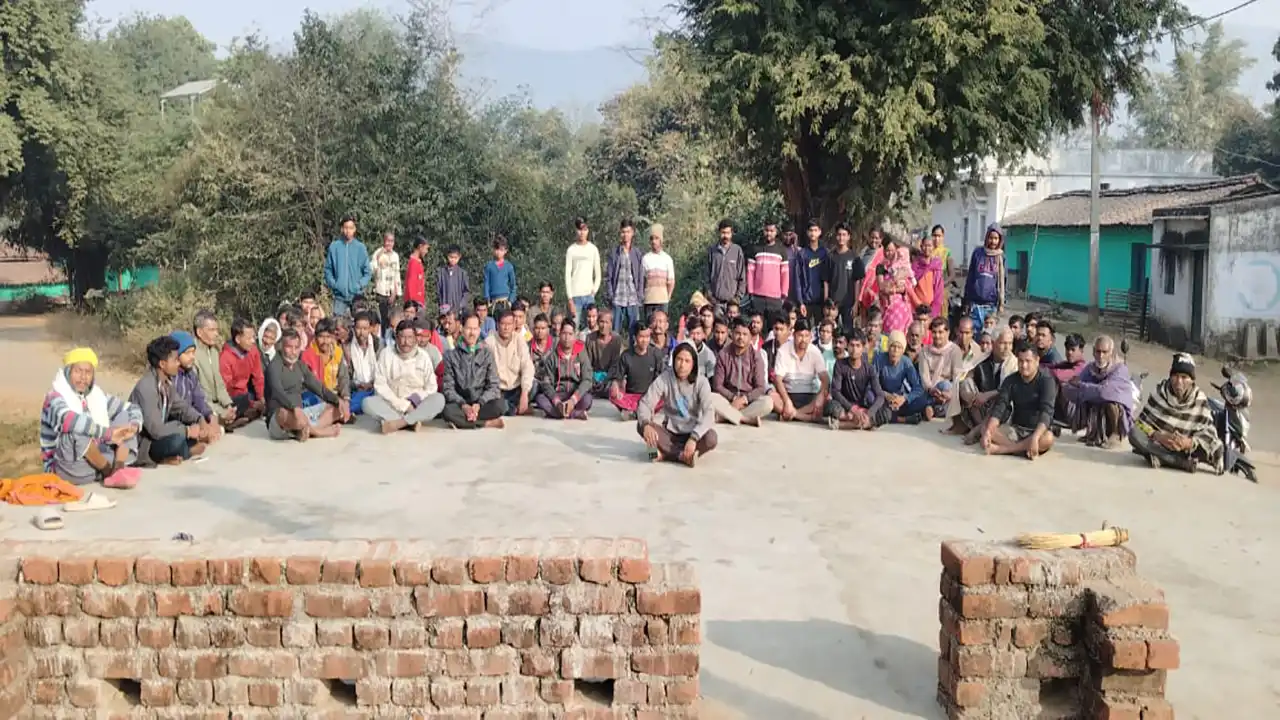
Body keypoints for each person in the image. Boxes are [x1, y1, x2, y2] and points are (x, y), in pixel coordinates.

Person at [41, 348, 144, 487]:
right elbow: (68, 421)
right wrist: (108, 434)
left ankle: (118, 468)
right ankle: (109, 472)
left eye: (88, 372)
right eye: (78, 371)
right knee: (76, 427)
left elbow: (131, 408)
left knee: (125, 416)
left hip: (93, 459)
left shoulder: (96, 396)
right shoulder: (54, 397)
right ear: (68, 372)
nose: (83, 377)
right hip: (66, 466)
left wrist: (134, 425)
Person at [1129, 353, 1222, 473]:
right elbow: (1140, 423)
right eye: (1175, 376)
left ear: (1191, 380)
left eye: (1184, 377)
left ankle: (1161, 458)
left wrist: (1188, 443)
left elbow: (1209, 436)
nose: (1179, 381)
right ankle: (1180, 463)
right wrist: (1158, 436)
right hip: (1159, 443)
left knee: (1215, 447)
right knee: (1134, 433)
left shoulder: (1200, 400)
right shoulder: (1160, 393)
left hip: (1185, 450)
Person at [130, 335, 216, 464]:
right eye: (175, 360)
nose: (178, 363)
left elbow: (182, 407)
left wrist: (200, 419)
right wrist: (187, 431)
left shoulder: (167, 383)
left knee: (187, 434)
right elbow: (156, 430)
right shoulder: (146, 388)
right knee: (177, 440)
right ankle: (184, 453)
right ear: (162, 364)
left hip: (159, 435)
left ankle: (177, 453)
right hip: (145, 442)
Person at [637, 343, 719, 467]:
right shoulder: (665, 378)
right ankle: (682, 456)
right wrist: (646, 424)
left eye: (687, 361)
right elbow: (645, 403)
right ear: (674, 360)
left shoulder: (701, 382)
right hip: (669, 434)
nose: (682, 365)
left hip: (692, 433)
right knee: (641, 426)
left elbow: (709, 412)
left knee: (711, 438)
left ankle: (664, 454)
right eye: (679, 359)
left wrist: (694, 438)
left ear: (693, 364)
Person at [361, 319, 446, 433]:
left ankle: (399, 423)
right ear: (396, 338)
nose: (406, 342)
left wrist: (414, 400)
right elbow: (380, 386)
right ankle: (412, 421)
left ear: (415, 339)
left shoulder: (423, 357)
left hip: (416, 406)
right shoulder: (386, 354)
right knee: (367, 403)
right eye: (402, 337)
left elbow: (432, 387)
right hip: (393, 405)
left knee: (439, 399)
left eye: (410, 337)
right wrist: (402, 405)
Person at [264, 329, 345, 440]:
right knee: (284, 413)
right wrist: (293, 407)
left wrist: (337, 400)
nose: (293, 352)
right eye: (289, 347)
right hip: (282, 421)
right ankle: (317, 432)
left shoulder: (300, 365)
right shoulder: (274, 366)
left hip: (301, 415)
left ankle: (304, 431)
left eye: (296, 347)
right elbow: (277, 392)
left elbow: (318, 388)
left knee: (336, 408)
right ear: (281, 347)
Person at [980, 341, 1057, 459]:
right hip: (1016, 430)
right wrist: (988, 432)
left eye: (1028, 361)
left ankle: (1003, 449)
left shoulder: (1047, 381)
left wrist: (1035, 437)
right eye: (1020, 361)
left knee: (1048, 438)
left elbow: (1047, 412)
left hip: (1037, 431)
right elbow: (1000, 407)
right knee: (988, 429)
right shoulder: (1011, 380)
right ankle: (1021, 450)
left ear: (1037, 361)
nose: (1024, 365)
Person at [1066, 335, 1136, 448]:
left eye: (1104, 352)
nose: (1101, 356)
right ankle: (1092, 433)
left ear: (1111, 353)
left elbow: (1106, 392)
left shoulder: (1120, 369)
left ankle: (1115, 435)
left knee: (1111, 402)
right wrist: (1091, 390)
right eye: (1098, 351)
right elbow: (1070, 388)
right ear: (1093, 352)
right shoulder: (1090, 368)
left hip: (1116, 412)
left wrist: (1083, 386)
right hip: (1098, 405)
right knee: (1085, 398)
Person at [949, 328, 1018, 441]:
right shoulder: (983, 358)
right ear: (993, 343)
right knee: (965, 384)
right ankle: (979, 427)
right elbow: (967, 374)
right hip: (979, 406)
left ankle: (979, 430)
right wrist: (974, 391)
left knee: (1002, 401)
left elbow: (1009, 390)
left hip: (1001, 408)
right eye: (1003, 343)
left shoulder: (1014, 364)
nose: (1007, 348)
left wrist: (987, 395)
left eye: (1010, 344)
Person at [441, 314, 507, 429]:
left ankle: (465, 421)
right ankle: (485, 423)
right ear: (461, 329)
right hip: (461, 402)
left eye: (475, 329)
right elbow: (448, 388)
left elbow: (494, 385)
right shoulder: (451, 355)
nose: (472, 333)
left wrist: (480, 403)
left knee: (501, 405)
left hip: (481, 403)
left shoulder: (486, 354)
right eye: (468, 328)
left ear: (479, 330)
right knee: (447, 411)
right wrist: (463, 405)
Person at [711, 318, 774, 426]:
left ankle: (724, 417)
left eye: (745, 334)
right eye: (738, 333)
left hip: (748, 402)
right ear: (732, 334)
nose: (741, 337)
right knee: (710, 397)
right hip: (728, 400)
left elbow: (760, 387)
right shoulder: (723, 354)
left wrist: (744, 399)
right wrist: (733, 398)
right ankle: (745, 419)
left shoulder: (756, 357)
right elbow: (717, 385)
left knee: (768, 403)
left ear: (750, 337)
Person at [827, 329, 887, 430]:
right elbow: (835, 392)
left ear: (863, 347)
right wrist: (853, 409)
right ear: (847, 346)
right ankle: (865, 424)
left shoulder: (869, 368)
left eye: (858, 346)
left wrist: (868, 413)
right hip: (845, 407)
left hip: (863, 408)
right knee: (831, 407)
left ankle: (846, 424)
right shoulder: (840, 365)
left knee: (886, 412)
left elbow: (880, 395)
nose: (854, 349)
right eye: (852, 345)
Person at [771, 320, 829, 423]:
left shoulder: (815, 351)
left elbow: (825, 379)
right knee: (771, 396)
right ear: (794, 335)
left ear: (811, 336)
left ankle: (793, 414)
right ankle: (807, 417)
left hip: (809, 396)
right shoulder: (783, 350)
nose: (804, 340)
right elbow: (778, 379)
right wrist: (787, 401)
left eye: (807, 336)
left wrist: (820, 396)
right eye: (800, 336)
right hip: (788, 395)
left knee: (826, 396)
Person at [536, 319, 593, 420]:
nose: (567, 338)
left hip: (575, 394)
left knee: (587, 399)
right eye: (564, 333)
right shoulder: (552, 357)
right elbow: (546, 384)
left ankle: (558, 414)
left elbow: (587, 380)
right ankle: (574, 414)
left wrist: (573, 400)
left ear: (575, 336)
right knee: (540, 399)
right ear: (559, 334)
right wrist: (557, 402)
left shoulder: (582, 354)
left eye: (570, 334)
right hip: (558, 395)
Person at [486, 308, 536, 416]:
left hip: (516, 388)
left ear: (514, 325)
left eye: (509, 324)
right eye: (503, 324)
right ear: (497, 325)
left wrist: (524, 393)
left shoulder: (519, 340)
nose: (506, 327)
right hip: (498, 390)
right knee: (498, 405)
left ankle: (516, 406)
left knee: (534, 385)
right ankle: (515, 409)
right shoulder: (490, 342)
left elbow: (527, 366)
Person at [192, 311, 238, 426]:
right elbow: (199, 395)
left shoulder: (214, 352)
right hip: (202, 406)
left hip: (217, 404)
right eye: (212, 330)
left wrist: (228, 405)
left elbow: (220, 384)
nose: (216, 334)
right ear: (199, 332)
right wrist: (221, 412)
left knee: (243, 402)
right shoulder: (192, 355)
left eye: (217, 330)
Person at [874, 330, 928, 424]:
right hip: (883, 397)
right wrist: (886, 395)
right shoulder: (879, 359)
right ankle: (902, 419)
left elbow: (918, 387)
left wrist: (904, 398)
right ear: (888, 347)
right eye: (893, 346)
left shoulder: (906, 362)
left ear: (903, 350)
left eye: (899, 347)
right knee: (870, 399)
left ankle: (891, 415)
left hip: (899, 399)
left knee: (922, 400)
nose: (895, 350)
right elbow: (872, 384)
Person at [219, 317, 266, 423]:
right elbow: (226, 388)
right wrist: (252, 403)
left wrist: (261, 399)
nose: (253, 341)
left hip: (247, 393)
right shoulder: (225, 357)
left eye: (253, 337)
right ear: (238, 339)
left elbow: (258, 377)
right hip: (233, 397)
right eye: (249, 338)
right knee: (237, 404)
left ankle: (246, 415)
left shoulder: (253, 351)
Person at [611, 324, 664, 418]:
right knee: (612, 394)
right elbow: (618, 377)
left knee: (665, 397)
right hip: (631, 397)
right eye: (641, 337)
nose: (645, 340)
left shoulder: (656, 353)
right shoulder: (626, 355)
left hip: (650, 396)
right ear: (635, 337)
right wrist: (615, 386)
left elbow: (661, 378)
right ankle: (641, 413)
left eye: (647, 337)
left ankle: (634, 413)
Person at [301, 319, 351, 417]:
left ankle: (337, 412)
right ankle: (335, 414)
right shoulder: (308, 355)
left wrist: (346, 398)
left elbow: (343, 377)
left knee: (357, 400)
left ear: (333, 337)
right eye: (321, 337)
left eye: (328, 337)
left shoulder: (338, 352)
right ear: (316, 337)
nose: (325, 341)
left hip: (335, 395)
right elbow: (310, 385)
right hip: (317, 395)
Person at [324, 216, 372, 316]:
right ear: (342, 229)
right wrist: (335, 284)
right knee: (338, 322)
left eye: (350, 228)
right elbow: (328, 270)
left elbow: (367, 272)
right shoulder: (334, 247)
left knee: (359, 321)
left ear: (354, 229)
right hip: (339, 296)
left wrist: (359, 285)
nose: (348, 231)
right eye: (346, 228)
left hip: (357, 296)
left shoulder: (360, 248)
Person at [606, 218, 645, 340]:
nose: (625, 235)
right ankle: (614, 353)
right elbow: (609, 277)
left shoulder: (637, 253)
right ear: (620, 233)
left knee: (634, 334)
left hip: (633, 299)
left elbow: (640, 277)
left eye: (628, 232)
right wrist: (611, 295)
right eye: (623, 232)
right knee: (614, 334)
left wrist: (640, 295)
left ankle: (632, 352)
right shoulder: (614, 253)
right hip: (618, 298)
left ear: (632, 233)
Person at [822, 223, 865, 333]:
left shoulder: (855, 258)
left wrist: (856, 303)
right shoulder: (830, 256)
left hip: (848, 303)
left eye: (844, 235)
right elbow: (826, 280)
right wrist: (826, 301)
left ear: (849, 237)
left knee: (848, 332)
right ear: (836, 236)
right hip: (833, 304)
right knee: (831, 332)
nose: (841, 237)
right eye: (839, 234)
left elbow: (857, 282)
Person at [963, 223, 1006, 330]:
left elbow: (1003, 281)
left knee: (988, 335)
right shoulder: (978, 253)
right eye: (991, 238)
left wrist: (1001, 303)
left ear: (1000, 240)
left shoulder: (1001, 257)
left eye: (996, 238)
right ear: (987, 237)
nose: (993, 241)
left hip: (991, 305)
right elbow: (970, 277)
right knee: (974, 333)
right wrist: (966, 300)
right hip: (975, 304)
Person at [918, 317, 962, 421]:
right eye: (934, 332)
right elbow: (924, 376)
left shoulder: (955, 350)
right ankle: (934, 407)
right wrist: (931, 389)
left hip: (948, 392)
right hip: (929, 390)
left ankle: (932, 408)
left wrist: (950, 393)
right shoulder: (925, 351)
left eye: (940, 332)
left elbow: (957, 376)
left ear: (948, 333)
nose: (937, 336)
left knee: (945, 385)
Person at [746, 220, 789, 324]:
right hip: (757, 297)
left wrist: (784, 294)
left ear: (776, 232)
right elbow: (750, 272)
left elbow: (785, 274)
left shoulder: (781, 250)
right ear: (763, 230)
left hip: (775, 299)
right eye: (766, 230)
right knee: (757, 327)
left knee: (773, 328)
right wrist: (751, 292)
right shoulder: (755, 249)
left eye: (771, 231)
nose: (769, 233)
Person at [170, 331, 217, 427]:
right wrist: (198, 420)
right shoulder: (171, 377)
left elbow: (199, 399)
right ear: (175, 355)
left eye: (193, 352)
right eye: (187, 353)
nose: (192, 357)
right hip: (176, 422)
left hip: (192, 418)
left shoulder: (191, 374)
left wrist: (210, 415)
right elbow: (176, 408)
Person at [565, 217, 603, 328]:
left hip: (589, 296)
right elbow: (567, 274)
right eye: (580, 229)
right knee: (573, 327)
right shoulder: (571, 250)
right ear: (576, 230)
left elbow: (598, 274)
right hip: (575, 296)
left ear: (588, 230)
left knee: (591, 329)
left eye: (585, 229)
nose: (582, 233)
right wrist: (570, 298)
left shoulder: (593, 249)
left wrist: (593, 291)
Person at [706, 219, 746, 317]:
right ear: (719, 233)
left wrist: (737, 298)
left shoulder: (737, 251)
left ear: (732, 233)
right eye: (723, 233)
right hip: (716, 303)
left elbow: (742, 277)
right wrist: (710, 295)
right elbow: (707, 275)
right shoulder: (712, 251)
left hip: (732, 304)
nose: (725, 236)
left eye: (728, 233)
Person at [346, 311, 381, 414]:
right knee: (356, 402)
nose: (361, 332)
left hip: (375, 388)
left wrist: (372, 384)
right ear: (354, 328)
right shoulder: (348, 347)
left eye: (365, 328)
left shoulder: (378, 344)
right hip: (357, 389)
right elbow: (345, 375)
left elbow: (383, 371)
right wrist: (357, 385)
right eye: (358, 328)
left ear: (370, 329)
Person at [792, 220, 828, 321]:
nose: (813, 233)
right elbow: (797, 279)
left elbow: (828, 278)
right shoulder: (802, 254)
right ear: (807, 232)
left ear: (820, 232)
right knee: (804, 328)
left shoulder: (825, 253)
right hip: (806, 301)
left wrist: (827, 300)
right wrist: (800, 302)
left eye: (815, 230)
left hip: (821, 301)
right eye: (811, 230)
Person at [642, 224, 676, 323]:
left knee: (662, 326)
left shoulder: (667, 259)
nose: (654, 241)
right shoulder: (645, 258)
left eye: (656, 238)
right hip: (649, 300)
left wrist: (667, 297)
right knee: (650, 325)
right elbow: (643, 280)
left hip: (662, 301)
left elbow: (671, 281)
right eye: (652, 238)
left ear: (661, 240)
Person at [586, 308, 623, 398]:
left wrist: (605, 380)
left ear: (611, 324)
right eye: (601, 322)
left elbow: (615, 364)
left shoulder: (616, 339)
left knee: (614, 387)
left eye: (607, 322)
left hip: (609, 376)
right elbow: (587, 363)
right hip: (593, 376)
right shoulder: (590, 338)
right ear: (597, 322)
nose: (604, 325)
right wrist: (593, 378)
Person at [370, 232, 402, 328]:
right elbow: (372, 269)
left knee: (391, 319)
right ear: (384, 241)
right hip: (381, 291)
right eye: (388, 241)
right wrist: (378, 257)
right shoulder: (378, 253)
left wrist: (396, 292)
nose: (389, 243)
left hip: (392, 292)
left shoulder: (395, 256)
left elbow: (397, 274)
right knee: (382, 318)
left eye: (391, 241)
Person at [483, 235, 517, 310]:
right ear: (493, 249)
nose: (498, 252)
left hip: (506, 300)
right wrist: (487, 299)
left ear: (505, 251)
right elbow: (486, 284)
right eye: (497, 249)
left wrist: (510, 300)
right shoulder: (489, 266)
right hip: (493, 301)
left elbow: (513, 285)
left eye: (501, 250)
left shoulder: (509, 266)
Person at [436, 245, 470, 316]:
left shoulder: (462, 273)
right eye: (451, 257)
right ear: (447, 256)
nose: (453, 260)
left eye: (455, 258)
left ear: (459, 257)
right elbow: (438, 290)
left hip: (458, 308)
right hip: (444, 308)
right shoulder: (441, 272)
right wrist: (441, 304)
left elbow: (466, 291)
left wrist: (461, 305)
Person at [762, 315, 790, 382]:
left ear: (788, 329)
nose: (778, 333)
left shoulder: (793, 348)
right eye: (776, 329)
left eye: (781, 329)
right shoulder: (765, 348)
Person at [404, 236, 429, 310]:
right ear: (420, 247)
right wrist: (412, 304)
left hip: (419, 302)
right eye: (426, 248)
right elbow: (411, 285)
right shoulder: (413, 263)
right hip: (415, 304)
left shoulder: (418, 261)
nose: (426, 251)